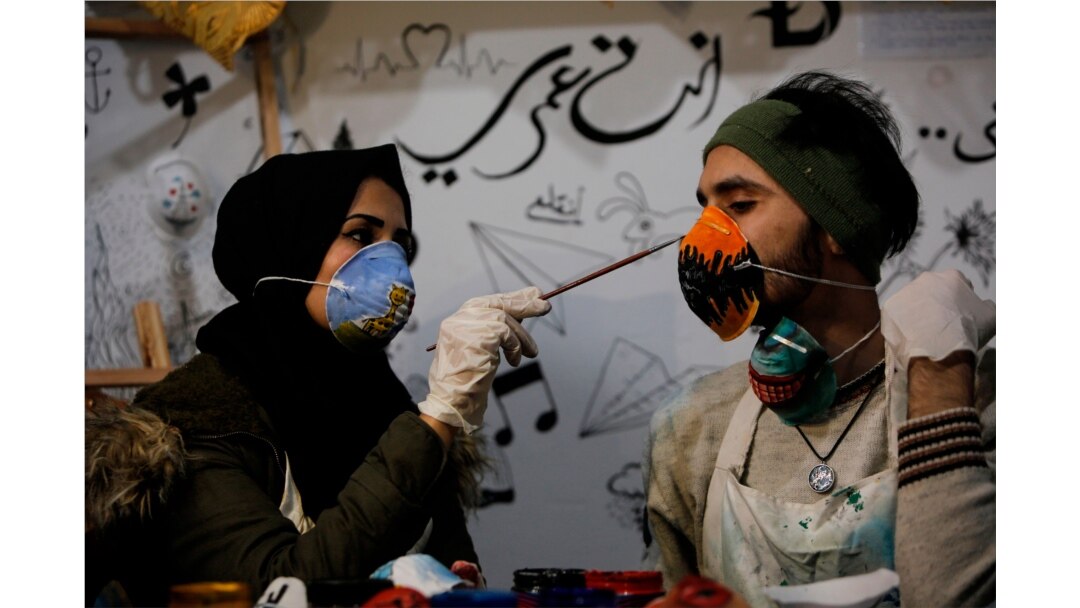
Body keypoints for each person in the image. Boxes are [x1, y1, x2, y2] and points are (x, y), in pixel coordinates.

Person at [85, 144, 551, 605]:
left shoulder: (382, 403)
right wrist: (439, 418)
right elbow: (285, 588)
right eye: (361, 235)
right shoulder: (192, 421)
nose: (391, 265)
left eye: (400, 245)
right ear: (289, 243)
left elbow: (451, 574)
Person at [643, 72, 995, 607]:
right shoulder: (691, 427)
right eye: (704, 210)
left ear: (837, 225)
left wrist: (939, 377)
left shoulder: (978, 400)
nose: (702, 239)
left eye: (739, 206)